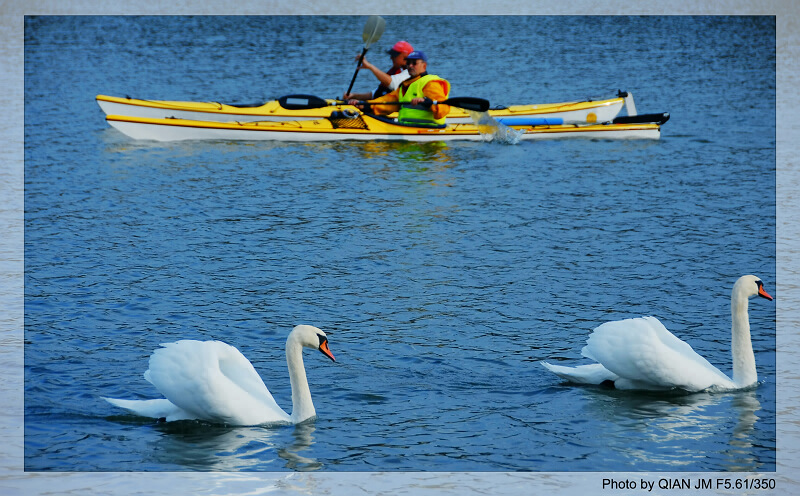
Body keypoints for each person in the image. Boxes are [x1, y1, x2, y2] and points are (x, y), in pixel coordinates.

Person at [347, 50, 450, 127]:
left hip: (429, 131)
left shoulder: (431, 83)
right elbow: (385, 102)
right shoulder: (404, 85)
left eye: (414, 63)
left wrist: (427, 102)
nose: (410, 66)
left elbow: (443, 109)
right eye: (408, 62)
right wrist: (363, 105)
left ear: (424, 66)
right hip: (406, 129)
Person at [343, 40, 414, 101]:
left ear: (405, 57)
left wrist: (370, 66)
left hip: (392, 112)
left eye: (394, 55)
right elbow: (375, 94)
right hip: (380, 108)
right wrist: (353, 96)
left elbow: (392, 83)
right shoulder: (395, 71)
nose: (391, 58)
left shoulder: (410, 74)